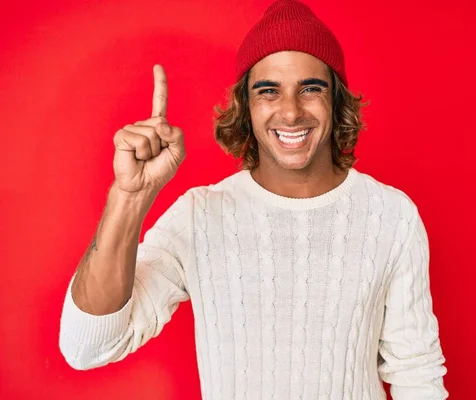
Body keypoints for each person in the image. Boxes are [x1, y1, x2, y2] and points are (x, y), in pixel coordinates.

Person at [58, 0, 449, 398]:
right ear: (246, 106)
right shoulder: (200, 216)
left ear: (337, 99)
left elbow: (416, 372)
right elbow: (87, 346)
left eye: (311, 88)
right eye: (269, 91)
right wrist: (129, 197)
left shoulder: (391, 215)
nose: (291, 112)